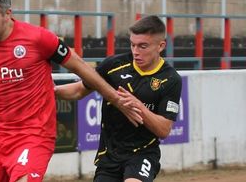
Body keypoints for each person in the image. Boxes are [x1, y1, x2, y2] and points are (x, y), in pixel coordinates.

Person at [0, 0, 141, 182]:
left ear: (7, 13)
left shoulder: (38, 38)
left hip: (34, 134)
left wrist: (115, 99)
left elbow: (80, 67)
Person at [55, 15, 182, 182]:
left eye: (143, 46)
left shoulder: (171, 79)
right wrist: (50, 90)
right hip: (110, 155)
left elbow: (164, 130)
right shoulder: (113, 65)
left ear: (161, 46)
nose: (136, 52)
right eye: (133, 45)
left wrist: (139, 106)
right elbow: (78, 91)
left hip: (143, 153)